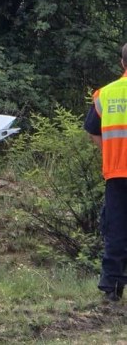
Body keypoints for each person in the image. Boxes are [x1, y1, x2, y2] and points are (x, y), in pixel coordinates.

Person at [84, 42, 127, 302]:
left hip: (116, 172)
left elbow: (92, 130)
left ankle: (111, 288)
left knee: (116, 230)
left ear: (122, 63)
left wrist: (110, 151)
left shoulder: (105, 95)